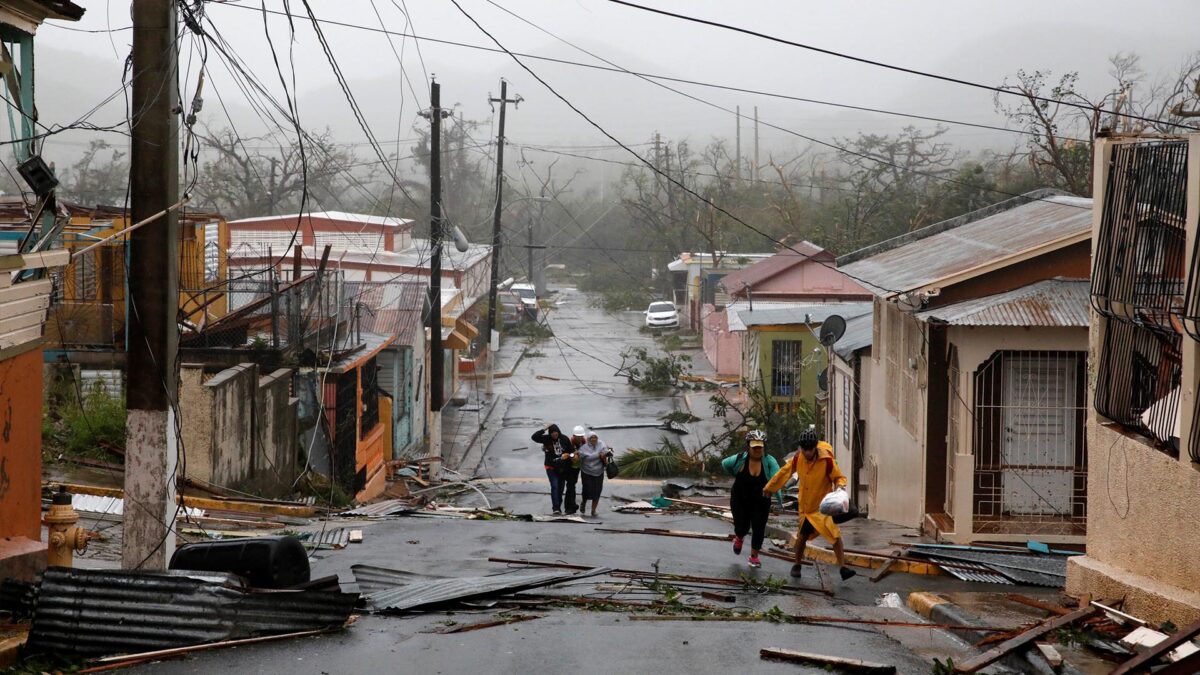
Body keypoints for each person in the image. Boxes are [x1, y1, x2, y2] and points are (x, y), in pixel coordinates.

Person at [763, 427, 857, 581]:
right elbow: (783, 473)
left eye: (810, 449)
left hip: (824, 507)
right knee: (801, 538)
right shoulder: (797, 458)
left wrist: (840, 487)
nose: (807, 452)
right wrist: (769, 488)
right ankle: (797, 564)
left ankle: (843, 567)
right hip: (807, 508)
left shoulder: (827, 460)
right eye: (804, 449)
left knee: (835, 535)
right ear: (801, 447)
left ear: (815, 447)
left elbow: (839, 477)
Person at [721, 429, 782, 568]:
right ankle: (739, 537)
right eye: (754, 446)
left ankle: (754, 557)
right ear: (748, 446)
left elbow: (777, 477)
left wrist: (778, 497)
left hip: (761, 501)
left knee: (759, 527)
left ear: (764, 446)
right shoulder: (740, 458)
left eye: (760, 446)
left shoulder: (769, 461)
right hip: (740, 498)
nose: (757, 449)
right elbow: (724, 464)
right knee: (742, 525)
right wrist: (735, 473)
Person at [532, 423, 572, 515]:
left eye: (556, 433)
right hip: (550, 467)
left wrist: (569, 455)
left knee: (561, 488)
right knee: (554, 486)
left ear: (558, 432)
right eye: (552, 433)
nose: (554, 434)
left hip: (562, 468)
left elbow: (571, 450)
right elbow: (534, 437)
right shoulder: (546, 439)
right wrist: (544, 429)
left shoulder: (564, 439)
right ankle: (556, 508)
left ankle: (558, 505)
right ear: (550, 433)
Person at [578, 430, 610, 517]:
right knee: (586, 490)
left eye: (595, 437)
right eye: (591, 438)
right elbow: (580, 458)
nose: (594, 439)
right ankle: (583, 503)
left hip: (599, 471)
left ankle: (593, 510)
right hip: (586, 472)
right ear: (588, 439)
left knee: (597, 491)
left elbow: (607, 452)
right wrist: (597, 455)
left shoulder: (601, 444)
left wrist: (606, 454)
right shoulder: (583, 448)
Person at [560, 426, 586, 515]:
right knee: (570, 486)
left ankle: (573, 505)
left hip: (577, 467)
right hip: (568, 467)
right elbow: (565, 454)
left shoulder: (584, 442)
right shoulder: (569, 442)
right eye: (578, 437)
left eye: (581, 436)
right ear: (574, 436)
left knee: (572, 485)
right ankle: (568, 508)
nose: (579, 438)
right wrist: (573, 454)